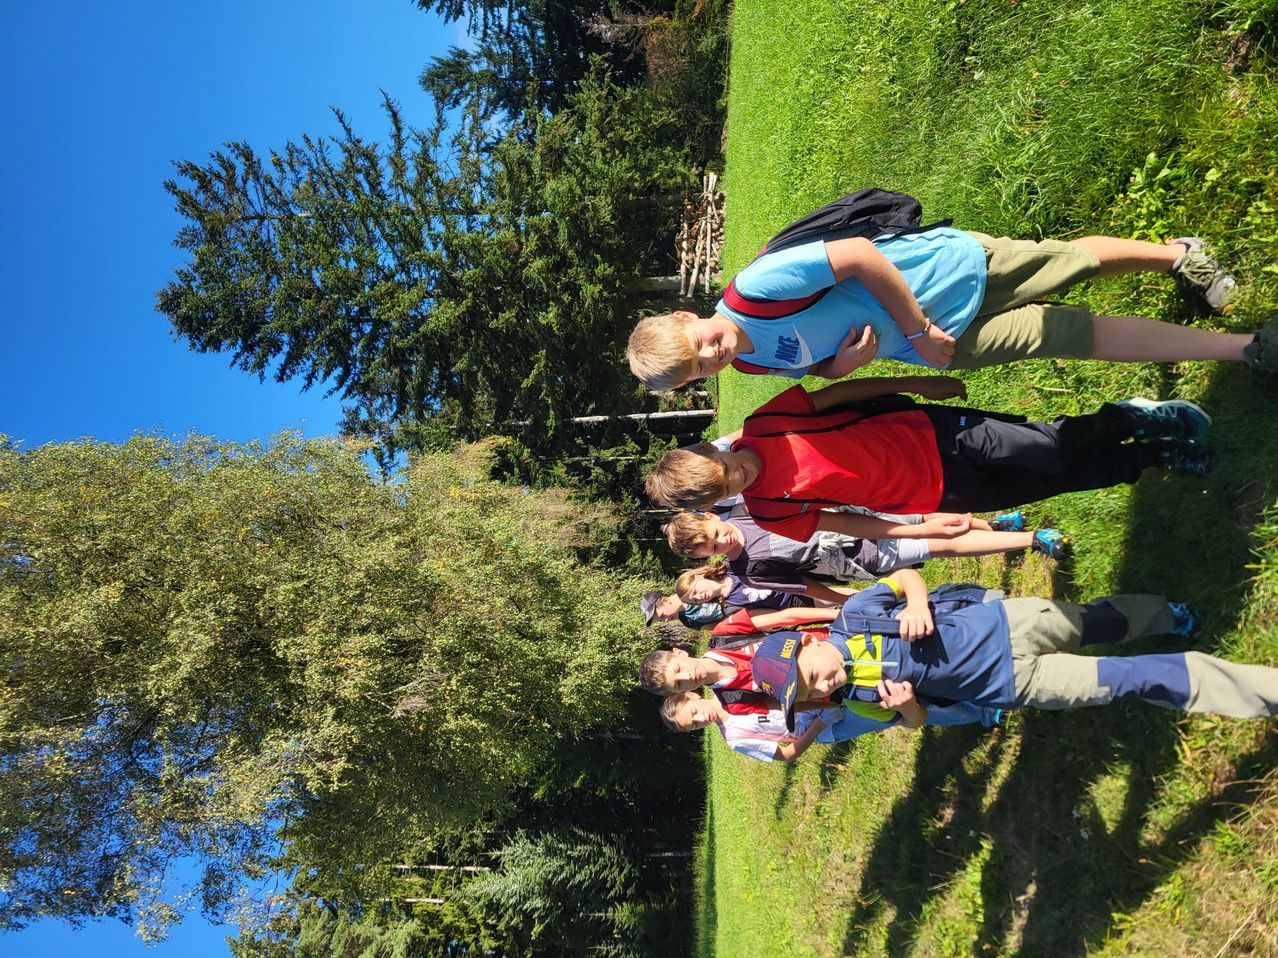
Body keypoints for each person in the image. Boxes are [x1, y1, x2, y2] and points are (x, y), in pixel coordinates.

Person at [625, 215, 1275, 390]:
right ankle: (1245, 351)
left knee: (1071, 263)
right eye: (702, 369)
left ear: (689, 317)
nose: (715, 354)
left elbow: (858, 255)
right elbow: (814, 367)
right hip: (940, 345)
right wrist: (841, 368)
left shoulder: (753, 291)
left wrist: (918, 327)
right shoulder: (749, 365)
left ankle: (1178, 253)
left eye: (701, 345)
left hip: (946, 273)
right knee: (1077, 335)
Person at [643, 376, 1213, 541]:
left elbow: (840, 397)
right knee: (1060, 480)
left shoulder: (768, 423)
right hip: (934, 495)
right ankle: (1154, 458)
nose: (741, 475)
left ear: (712, 450)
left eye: (729, 467)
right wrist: (917, 529)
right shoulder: (767, 509)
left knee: (1050, 447)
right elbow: (846, 524)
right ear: (722, 504)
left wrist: (921, 382)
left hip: (933, 434)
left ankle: (1133, 418)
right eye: (729, 487)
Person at [750, 568, 1278, 733]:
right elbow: (915, 722)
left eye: (811, 676)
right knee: (1128, 679)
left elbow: (908, 576)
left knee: (1098, 622)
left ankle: (1167, 615)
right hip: (1011, 685)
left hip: (1009, 623)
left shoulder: (855, 614)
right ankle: (1260, 692)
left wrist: (914, 603)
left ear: (808, 641)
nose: (823, 686)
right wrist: (906, 705)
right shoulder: (860, 699)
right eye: (813, 694)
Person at [663, 509, 1070, 592]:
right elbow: (805, 585)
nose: (722, 542)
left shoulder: (750, 509)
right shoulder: (748, 573)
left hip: (864, 514)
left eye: (714, 533)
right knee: (943, 546)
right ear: (704, 559)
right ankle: (1032, 539)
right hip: (864, 558)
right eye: (712, 548)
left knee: (932, 518)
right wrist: (841, 602)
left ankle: (996, 524)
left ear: (708, 517)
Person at [658, 689, 1002, 763]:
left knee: (895, 690)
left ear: (692, 695)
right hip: (829, 725)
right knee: (895, 713)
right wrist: (821, 724)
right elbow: (786, 752)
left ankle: (966, 689)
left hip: (823, 692)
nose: (701, 720)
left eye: (694, 712)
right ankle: (981, 711)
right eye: (694, 727)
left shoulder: (730, 687)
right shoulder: (734, 737)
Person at [674, 559, 847, 609]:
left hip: (793, 577)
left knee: (842, 588)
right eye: (696, 601)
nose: (699, 597)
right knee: (842, 600)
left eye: (695, 592)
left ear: (698, 577)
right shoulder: (730, 605)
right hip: (793, 601)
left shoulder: (730, 567)